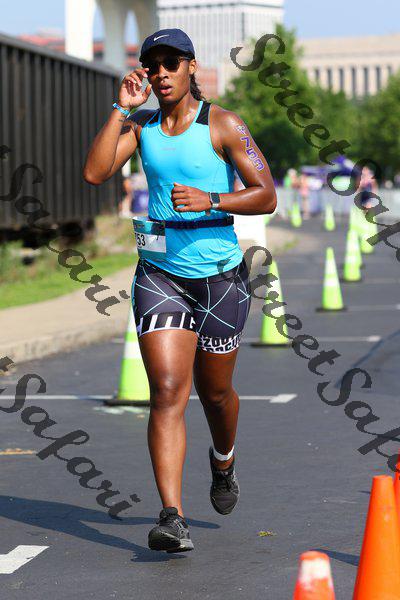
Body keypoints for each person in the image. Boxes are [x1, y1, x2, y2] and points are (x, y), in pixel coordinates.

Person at [83, 28, 277, 553]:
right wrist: (121, 110)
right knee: (168, 391)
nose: (162, 73)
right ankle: (172, 517)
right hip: (159, 274)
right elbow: (95, 172)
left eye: (172, 63)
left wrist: (213, 199)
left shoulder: (224, 124)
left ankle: (224, 460)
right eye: (153, 65)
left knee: (215, 394)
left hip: (220, 279)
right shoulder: (142, 125)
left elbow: (266, 195)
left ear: (192, 66)